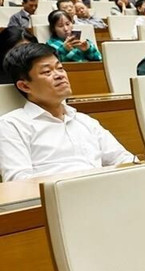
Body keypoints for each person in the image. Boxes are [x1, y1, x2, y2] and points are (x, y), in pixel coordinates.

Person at [0, 43, 134, 181]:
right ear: (25, 86)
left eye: (60, 68)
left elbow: (124, 160)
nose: (59, 75)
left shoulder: (85, 121)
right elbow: (18, 182)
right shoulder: (12, 125)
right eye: (47, 72)